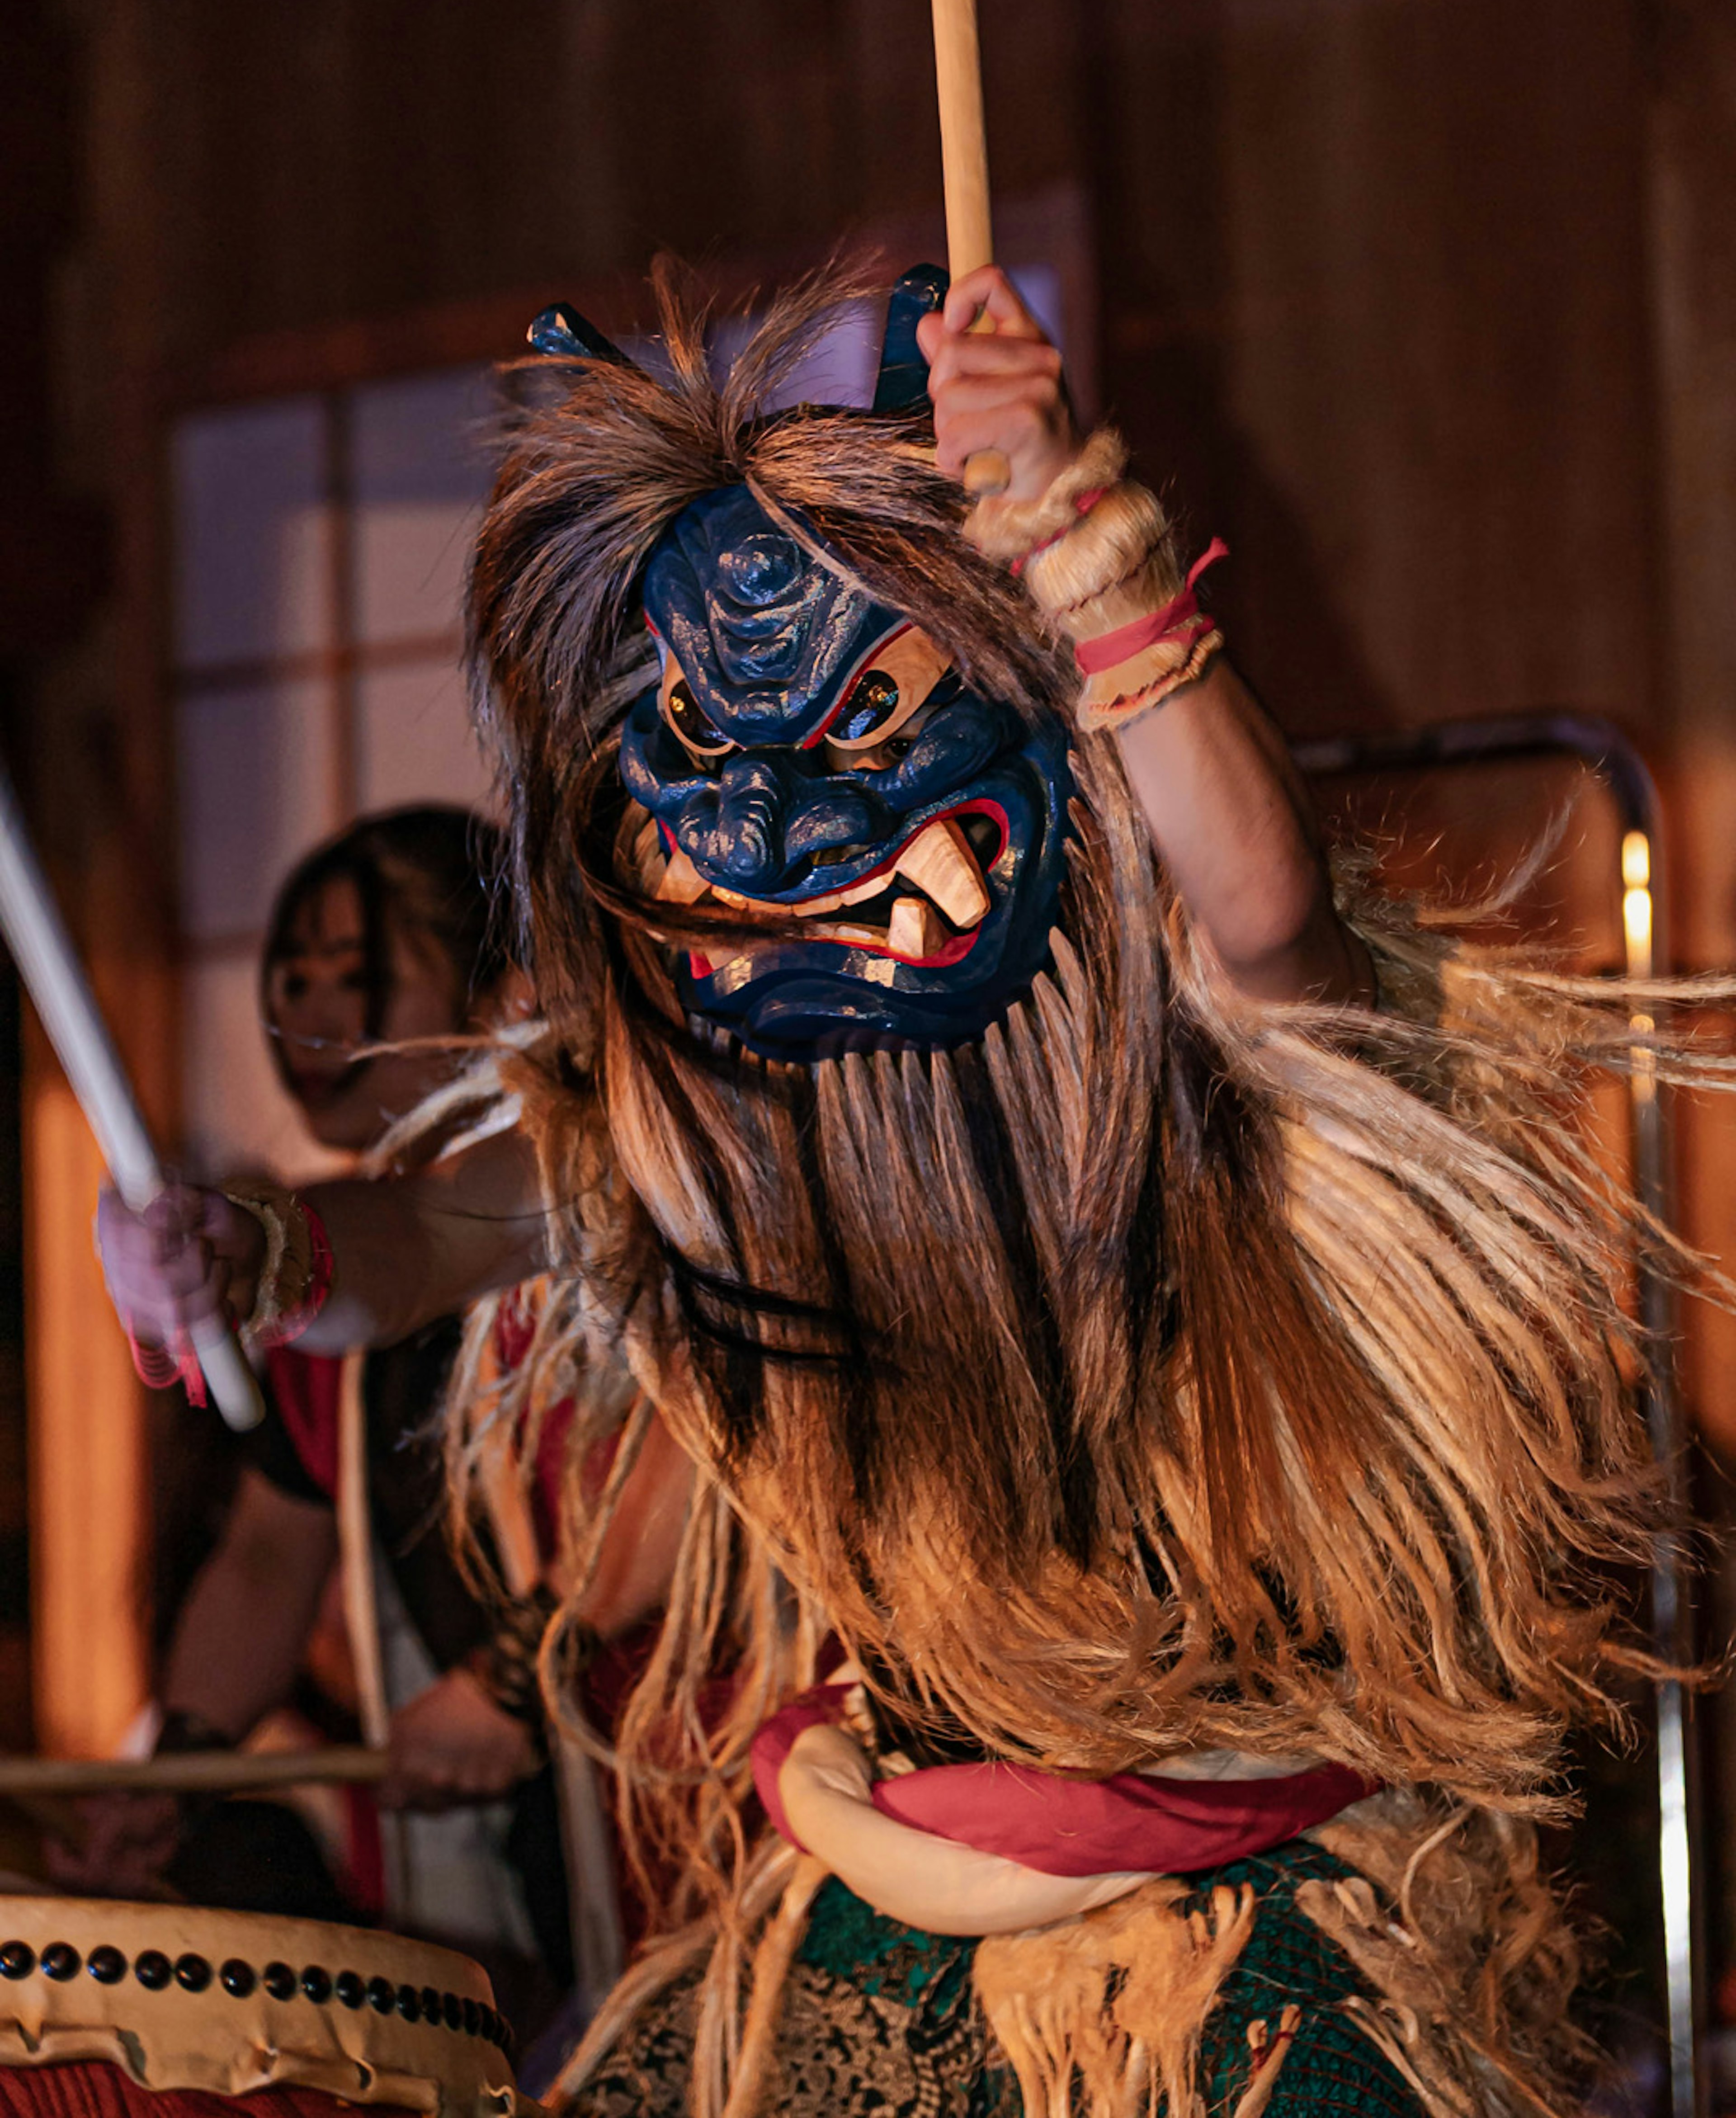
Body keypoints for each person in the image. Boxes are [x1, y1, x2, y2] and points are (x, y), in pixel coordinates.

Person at [97, 263, 1706, 2117]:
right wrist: (253, 1256)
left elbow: (1273, 923)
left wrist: (1070, 526)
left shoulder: (1195, 1046)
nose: (782, 834)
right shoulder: (713, 1120)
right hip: (894, 1872)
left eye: (863, 731)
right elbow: (430, 1236)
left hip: (1262, 1905)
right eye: (708, 754)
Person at [63, 807, 681, 2030]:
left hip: (690, 1780)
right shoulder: (384, 1226)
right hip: (504, 1825)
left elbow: (708, 1462)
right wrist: (180, 1766)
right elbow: (272, 1540)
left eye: (354, 977)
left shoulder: (640, 1148)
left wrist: (510, 1673)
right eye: (289, 980)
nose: (313, 1021)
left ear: (504, 978)